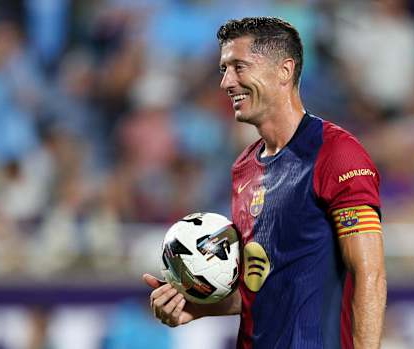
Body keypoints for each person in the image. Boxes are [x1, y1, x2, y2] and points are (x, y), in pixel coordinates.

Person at [143, 17, 386, 349]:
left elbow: (369, 276)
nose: (227, 82)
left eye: (239, 67)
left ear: (284, 71)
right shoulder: (244, 168)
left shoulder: (337, 153)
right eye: (223, 69)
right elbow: (265, 291)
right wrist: (197, 307)